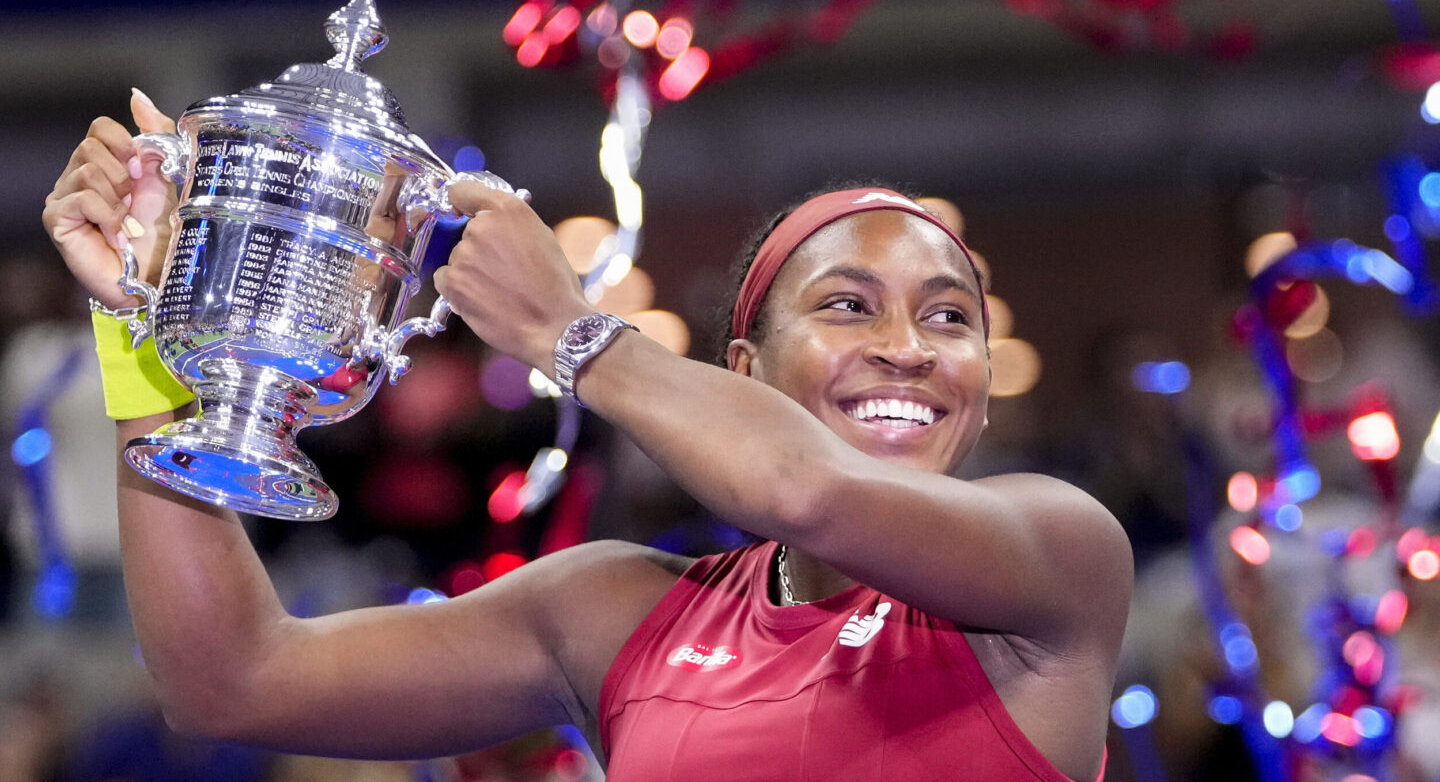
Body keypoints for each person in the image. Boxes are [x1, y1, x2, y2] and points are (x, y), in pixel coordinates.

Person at [41, 90, 1133, 781]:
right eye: (849, 306)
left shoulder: (1058, 552)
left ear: (983, 390)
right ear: (742, 372)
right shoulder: (615, 613)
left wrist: (567, 330)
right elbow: (231, 678)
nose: (908, 346)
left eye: (950, 318)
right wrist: (138, 327)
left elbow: (808, 493)